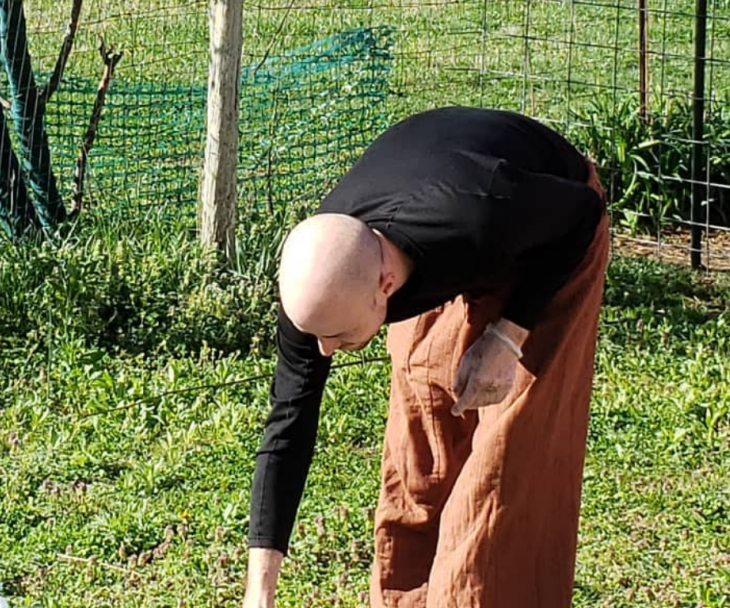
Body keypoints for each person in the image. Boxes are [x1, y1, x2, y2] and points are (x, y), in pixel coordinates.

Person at [242, 106, 610, 608]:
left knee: (502, 470)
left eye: (338, 335)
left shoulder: (481, 216)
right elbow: (288, 426)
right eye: (318, 336)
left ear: (385, 287)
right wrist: (259, 596)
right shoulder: (318, 289)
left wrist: (508, 335)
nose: (325, 350)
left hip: (549, 233)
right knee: (421, 457)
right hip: (442, 229)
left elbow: (580, 216)